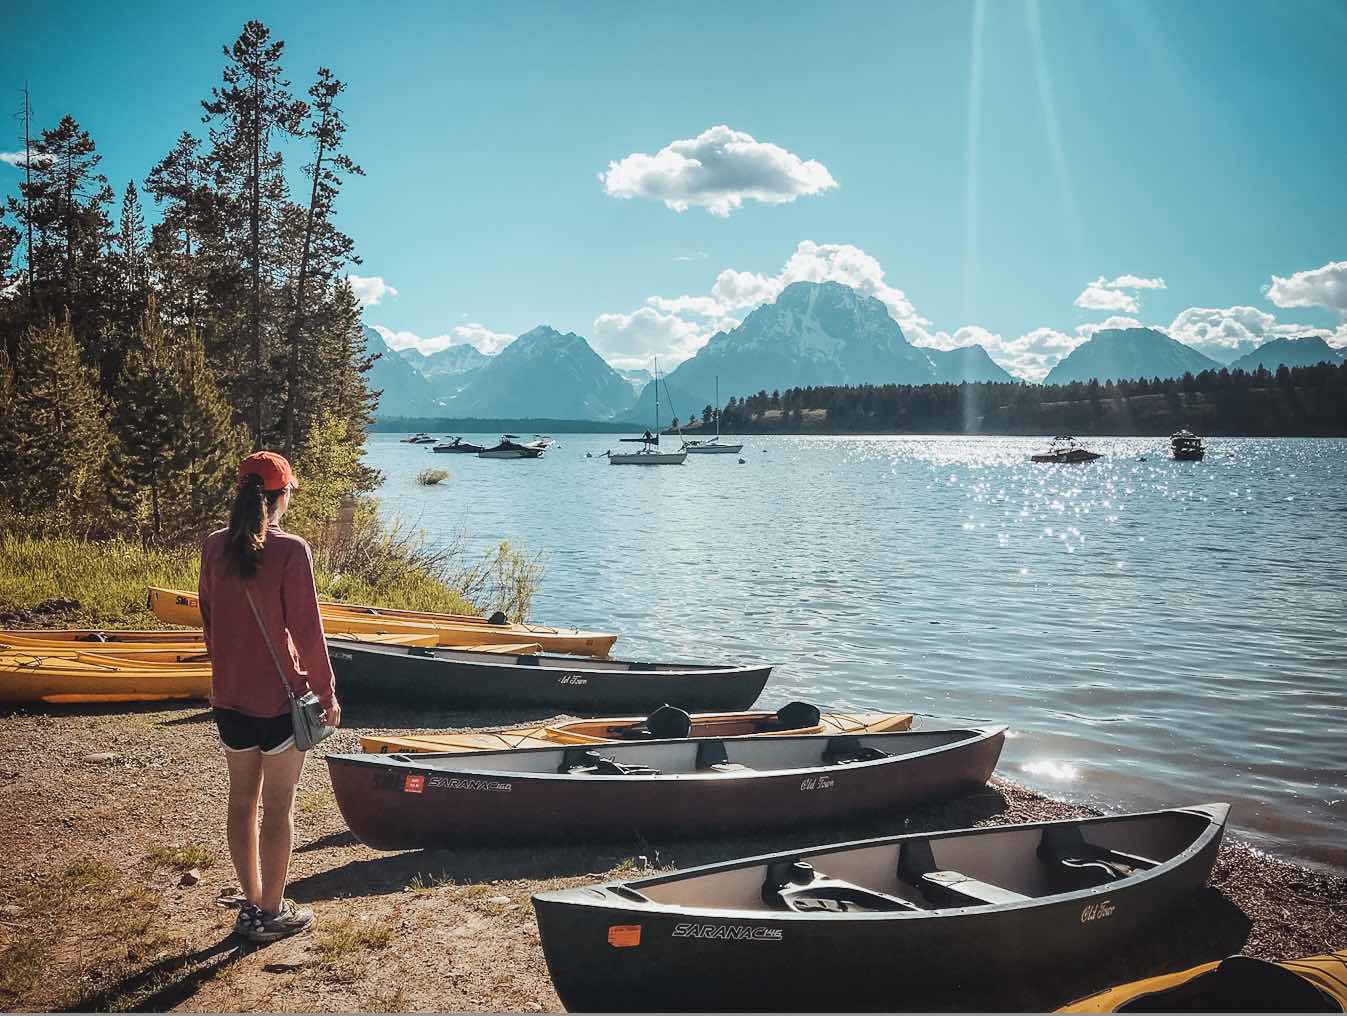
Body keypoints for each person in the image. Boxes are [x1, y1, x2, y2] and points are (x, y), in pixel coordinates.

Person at [199, 451, 340, 942]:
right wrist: (326, 692)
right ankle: (271, 913)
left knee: (242, 801)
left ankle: (250, 905)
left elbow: (210, 622)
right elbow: (307, 630)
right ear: (280, 498)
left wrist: (227, 678)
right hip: (281, 702)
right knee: (278, 806)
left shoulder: (214, 546)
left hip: (229, 700)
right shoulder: (290, 551)